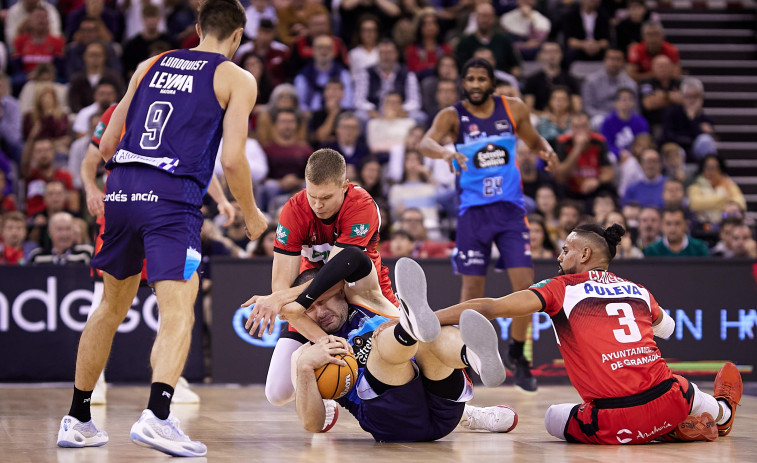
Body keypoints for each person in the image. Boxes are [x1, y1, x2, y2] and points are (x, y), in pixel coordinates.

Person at [56, 1, 268, 457]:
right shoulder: (235, 77)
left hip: (122, 189)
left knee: (109, 308)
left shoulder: (150, 64)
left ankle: (77, 418)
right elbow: (232, 159)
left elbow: (108, 142)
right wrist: (250, 212)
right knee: (178, 308)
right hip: (171, 200)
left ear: (196, 29)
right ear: (237, 36)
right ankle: (158, 415)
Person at [404, 224, 742, 444]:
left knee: (553, 419)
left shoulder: (560, 288)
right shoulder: (638, 289)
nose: (559, 255)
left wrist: (428, 317)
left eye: (566, 249)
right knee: (682, 386)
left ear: (585, 254)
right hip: (668, 401)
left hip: (611, 421)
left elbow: (490, 306)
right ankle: (721, 413)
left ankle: (671, 431)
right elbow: (667, 329)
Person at [246, 251, 516, 438]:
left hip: (444, 413)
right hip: (390, 420)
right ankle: (407, 329)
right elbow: (312, 424)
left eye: (323, 300)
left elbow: (356, 257)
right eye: (310, 310)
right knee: (386, 344)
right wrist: (305, 369)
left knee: (435, 336)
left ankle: (471, 356)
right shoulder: (307, 353)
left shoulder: (369, 299)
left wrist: (301, 300)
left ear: (340, 290)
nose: (318, 312)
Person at [419, 57, 558, 392]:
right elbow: (424, 143)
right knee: (471, 292)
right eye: (471, 79)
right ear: (463, 83)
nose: (477, 85)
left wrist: (545, 150)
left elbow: (534, 139)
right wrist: (444, 153)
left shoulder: (513, 109)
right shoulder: (452, 115)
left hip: (510, 210)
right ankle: (469, 357)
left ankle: (518, 353)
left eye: (483, 79)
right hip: (473, 212)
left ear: (492, 83)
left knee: (525, 286)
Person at [582, 48, 638, 130]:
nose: (614, 63)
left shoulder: (631, 84)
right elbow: (587, 107)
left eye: (618, 59)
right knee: (597, 121)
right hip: (600, 117)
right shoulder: (591, 81)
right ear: (605, 60)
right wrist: (609, 117)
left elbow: (635, 108)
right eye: (611, 59)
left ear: (623, 63)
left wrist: (620, 116)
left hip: (624, 116)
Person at [29, 211, 93, 265]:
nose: (64, 234)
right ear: (49, 232)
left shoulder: (86, 253)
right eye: (59, 229)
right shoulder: (37, 256)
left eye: (68, 228)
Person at [644, 206, 709, 257]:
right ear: (661, 226)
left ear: (686, 225)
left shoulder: (699, 248)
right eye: (668, 224)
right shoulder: (651, 251)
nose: (673, 228)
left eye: (677, 223)